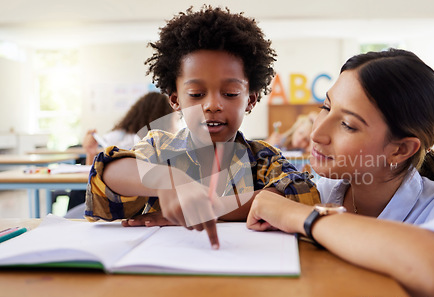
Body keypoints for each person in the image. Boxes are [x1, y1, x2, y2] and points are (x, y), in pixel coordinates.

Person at [246, 49, 434, 297]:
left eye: (347, 124)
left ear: (400, 150)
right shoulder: (323, 191)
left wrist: (303, 218)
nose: (317, 133)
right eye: (326, 107)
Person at [84, 6, 320, 249]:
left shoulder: (262, 158)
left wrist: (210, 207)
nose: (212, 105)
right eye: (196, 94)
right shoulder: (159, 149)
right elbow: (106, 176)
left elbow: (303, 195)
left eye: (230, 93)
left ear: (250, 99)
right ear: (175, 100)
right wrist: (171, 179)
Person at [82, 91, 178, 166]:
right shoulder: (135, 143)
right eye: (176, 120)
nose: (176, 127)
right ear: (163, 121)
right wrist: (91, 154)